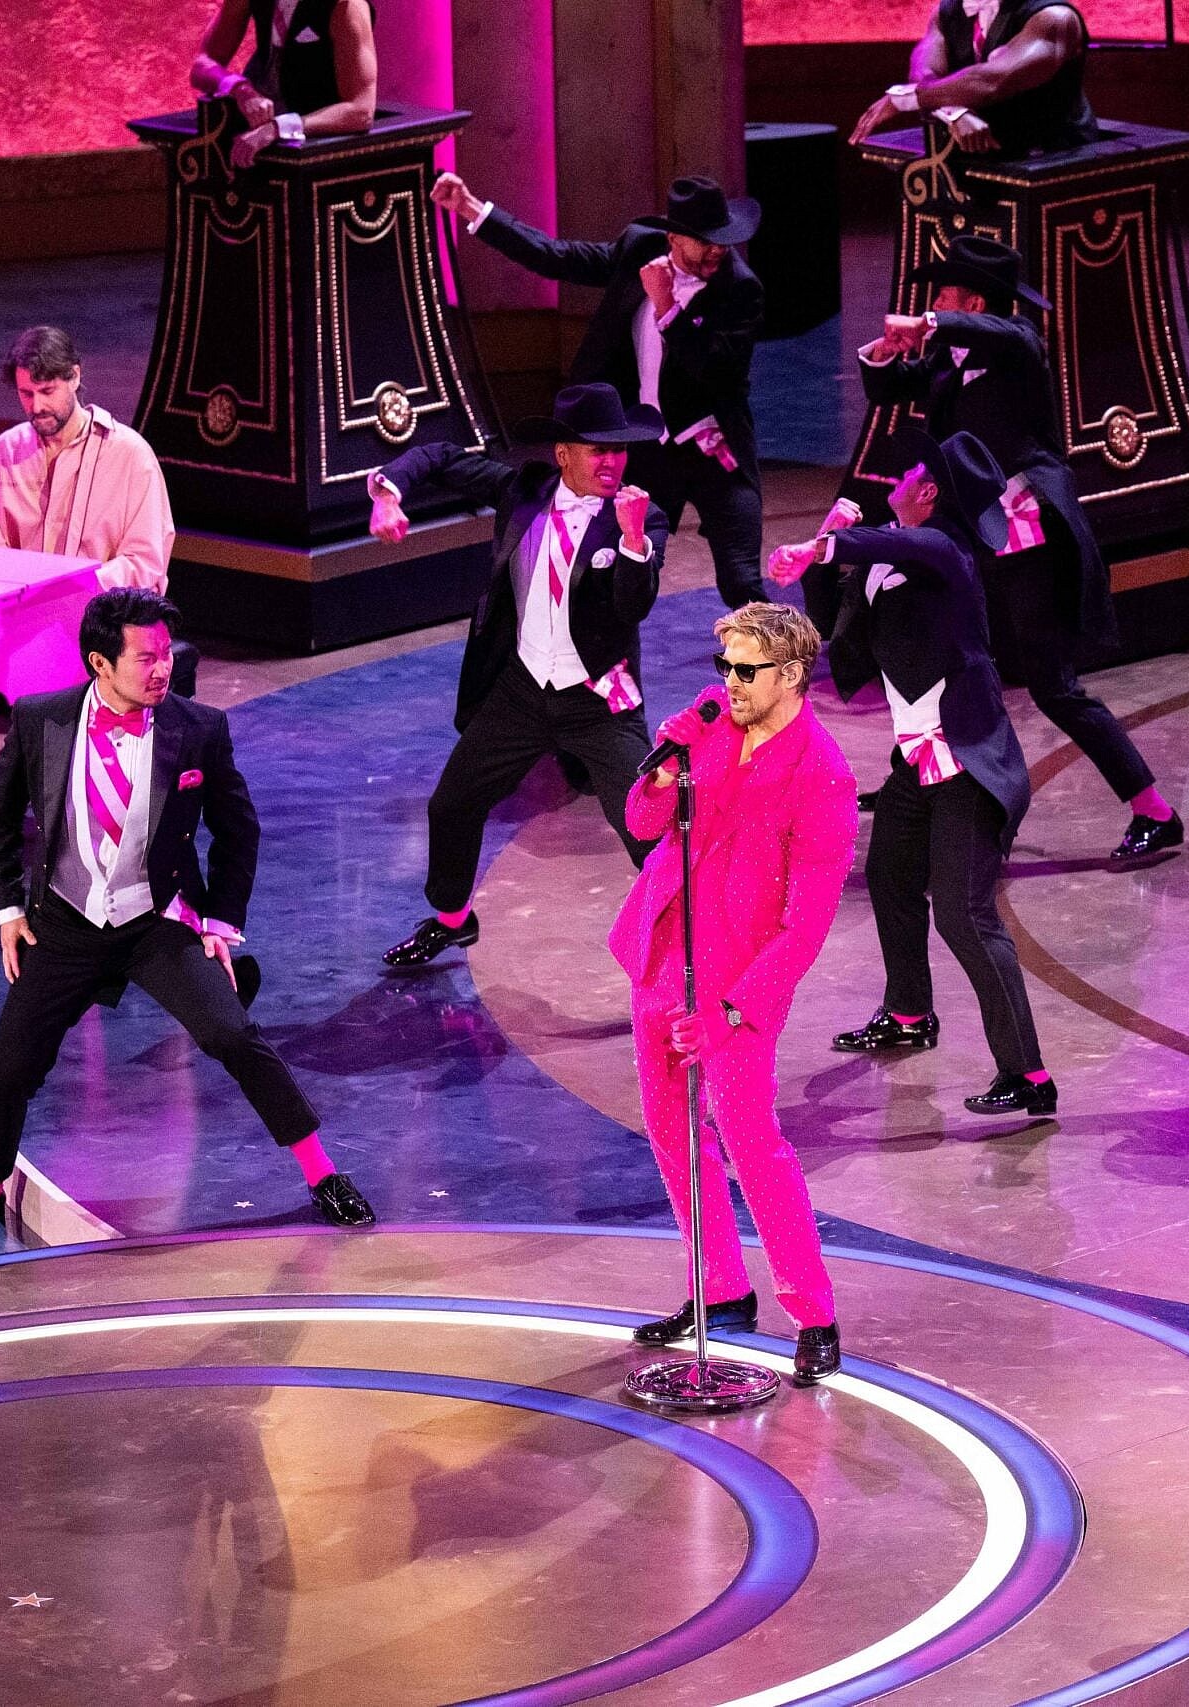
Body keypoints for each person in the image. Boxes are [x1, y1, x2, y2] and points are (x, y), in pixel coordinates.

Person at [0, 589, 375, 1251]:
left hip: (157, 920)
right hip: (65, 921)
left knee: (234, 1034)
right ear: (99, 664)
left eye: (167, 653)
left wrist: (220, 924)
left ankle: (323, 1171)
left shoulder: (197, 728)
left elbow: (239, 830)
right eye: (146, 657)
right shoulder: (41, 721)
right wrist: (4, 910)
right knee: (11, 1067)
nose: (163, 669)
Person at [857, 234, 1179, 862]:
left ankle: (1155, 811)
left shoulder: (1019, 346)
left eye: (945, 295)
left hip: (1026, 537)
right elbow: (885, 388)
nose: (936, 303)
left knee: (1053, 686)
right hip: (972, 535)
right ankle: (916, 787)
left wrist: (927, 322)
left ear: (972, 301)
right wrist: (886, 349)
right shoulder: (952, 359)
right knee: (945, 656)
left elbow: (1012, 336)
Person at [608, 603, 860, 1388]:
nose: (729, 684)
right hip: (664, 956)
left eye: (745, 671)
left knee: (752, 1142)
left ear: (789, 676)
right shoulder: (710, 731)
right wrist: (662, 763)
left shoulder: (822, 772)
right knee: (669, 1128)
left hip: (737, 987)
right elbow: (645, 823)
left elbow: (807, 923)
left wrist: (733, 1008)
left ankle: (814, 1312)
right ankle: (718, 1288)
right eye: (725, 667)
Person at [769, 432, 1055, 1117]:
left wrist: (840, 544)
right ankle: (908, 1013)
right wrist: (824, 555)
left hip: (965, 761)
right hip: (915, 761)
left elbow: (908, 547)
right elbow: (848, 657)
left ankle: (1029, 1075)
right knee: (891, 874)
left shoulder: (946, 550)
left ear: (928, 492)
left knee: (966, 913)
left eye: (908, 473)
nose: (890, 477)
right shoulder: (885, 559)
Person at [369, 384, 669, 967]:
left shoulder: (641, 514)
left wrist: (632, 540)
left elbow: (634, 609)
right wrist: (388, 491)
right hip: (521, 689)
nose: (612, 463)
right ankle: (453, 919)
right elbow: (439, 456)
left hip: (597, 697)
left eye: (619, 450)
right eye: (596, 450)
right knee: (452, 805)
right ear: (562, 453)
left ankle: (690, 933)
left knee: (643, 824)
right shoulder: (520, 492)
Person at [0, 326, 180, 890]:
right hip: (23, 626)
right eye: (27, 394)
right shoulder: (7, 450)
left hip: (100, 632)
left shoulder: (129, 454)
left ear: (76, 378)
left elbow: (146, 565)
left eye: (49, 391)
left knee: (44, 689)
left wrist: (68, 591)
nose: (38, 407)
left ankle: (51, 819)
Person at [431, 173, 766, 610]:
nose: (719, 249)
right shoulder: (638, 248)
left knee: (742, 581)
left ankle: (778, 666)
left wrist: (667, 307)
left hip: (712, 449)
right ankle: (596, 667)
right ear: (673, 238)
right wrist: (473, 209)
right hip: (646, 445)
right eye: (706, 240)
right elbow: (558, 257)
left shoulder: (740, 289)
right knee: (620, 572)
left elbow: (717, 371)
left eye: (724, 239)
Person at [850, 0, 1103, 159]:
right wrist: (953, 113)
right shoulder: (947, 11)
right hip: (986, 143)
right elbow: (924, 75)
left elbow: (990, 82)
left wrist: (904, 99)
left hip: (1054, 153)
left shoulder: (1054, 17)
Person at [190, 0, 379, 172]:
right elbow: (202, 66)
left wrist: (278, 127)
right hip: (255, 136)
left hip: (314, 149)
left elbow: (361, 111)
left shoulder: (346, 6)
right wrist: (239, 88)